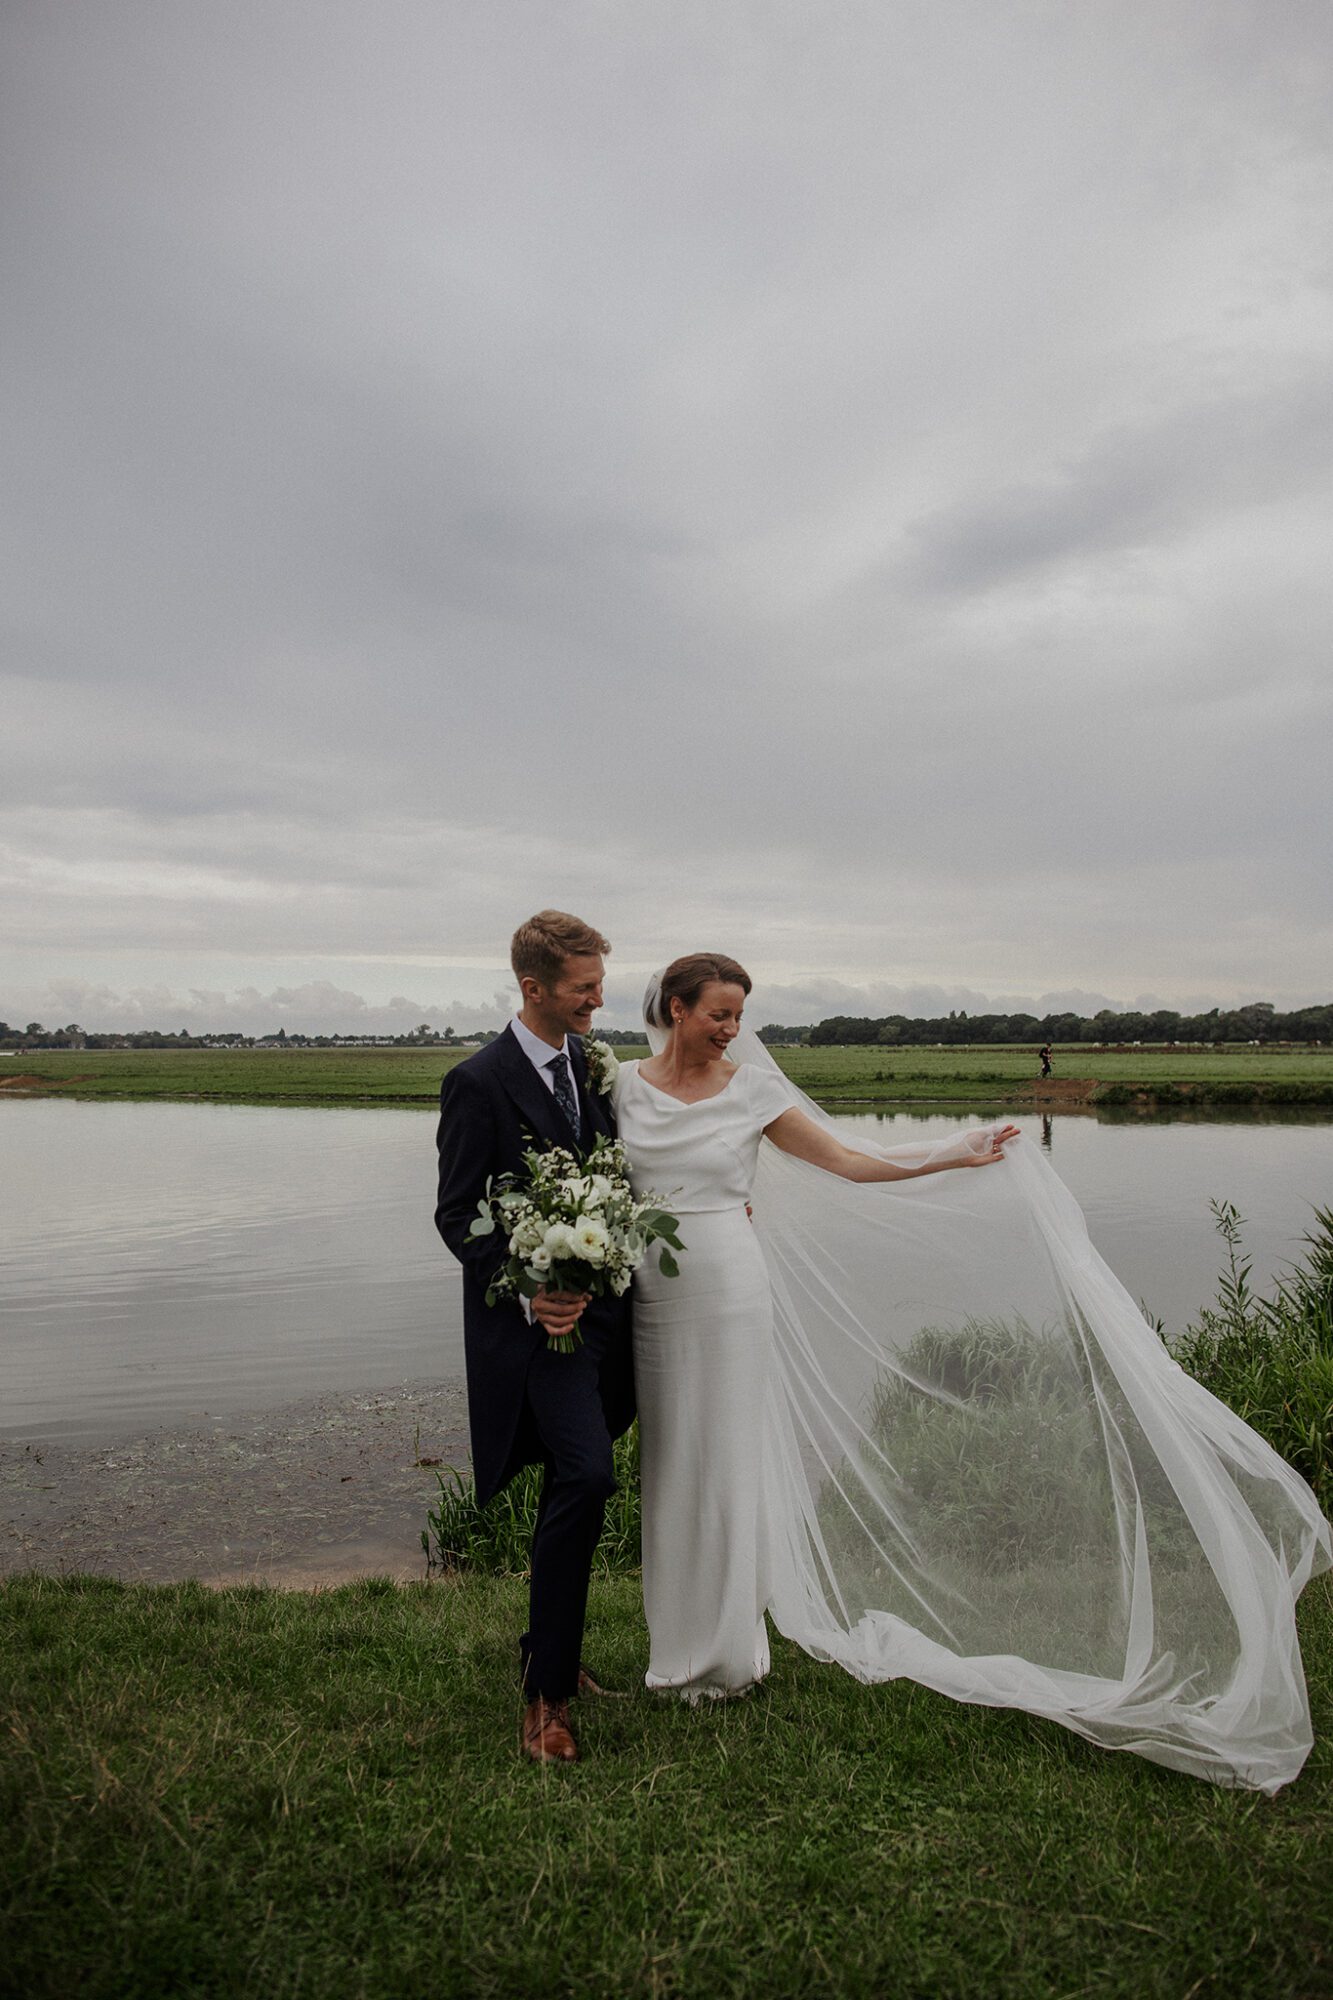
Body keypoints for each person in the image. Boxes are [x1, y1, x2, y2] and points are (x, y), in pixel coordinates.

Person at [614, 953, 1331, 1792]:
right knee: (668, 1464)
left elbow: (848, 1161)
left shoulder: (752, 1090)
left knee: (728, 1462)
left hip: (731, 1286)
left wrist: (956, 1150)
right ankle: (674, 1653)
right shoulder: (619, 1085)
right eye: (717, 1014)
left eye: (740, 1015)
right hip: (651, 1295)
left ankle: (728, 1657)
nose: (732, 1029)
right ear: (674, 1007)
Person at [434, 911, 634, 1765]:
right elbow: (454, 1215)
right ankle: (544, 1701)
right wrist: (528, 1291)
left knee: (575, 1482)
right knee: (587, 1476)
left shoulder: (592, 1067)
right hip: (538, 1334)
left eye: (598, 983)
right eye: (584, 987)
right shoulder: (478, 1081)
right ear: (534, 988)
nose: (598, 999)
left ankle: (546, 1647)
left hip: (612, 1326)